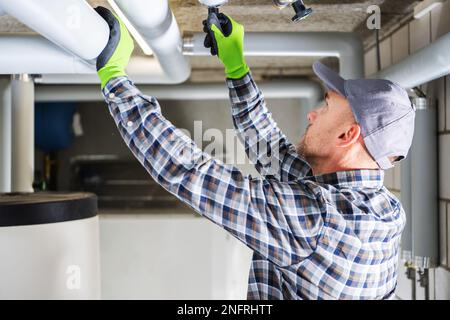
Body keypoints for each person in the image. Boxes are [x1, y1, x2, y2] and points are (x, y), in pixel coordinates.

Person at [94, 7, 416, 300]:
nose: (313, 114)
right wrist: (237, 67)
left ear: (348, 134)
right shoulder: (381, 209)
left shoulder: (319, 224)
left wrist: (114, 78)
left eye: (327, 106)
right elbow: (272, 151)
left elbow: (190, 172)